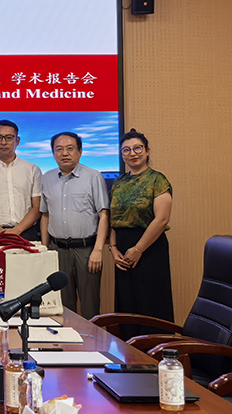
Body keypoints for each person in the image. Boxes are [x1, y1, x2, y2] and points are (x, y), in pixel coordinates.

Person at [108, 128, 174, 336]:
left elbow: (161, 219)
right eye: (126, 150)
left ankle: (155, 350)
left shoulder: (157, 180)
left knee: (151, 301)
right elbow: (113, 219)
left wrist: (138, 249)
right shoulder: (119, 182)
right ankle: (129, 350)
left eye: (137, 148)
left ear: (147, 151)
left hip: (149, 247)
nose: (132, 153)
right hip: (122, 247)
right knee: (127, 303)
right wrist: (113, 249)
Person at [40, 131, 109, 320]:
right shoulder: (46, 178)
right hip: (58, 249)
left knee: (89, 305)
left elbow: (104, 215)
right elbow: (45, 214)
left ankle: (91, 339)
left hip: (87, 250)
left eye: (70, 148)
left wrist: (98, 250)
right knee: (62, 305)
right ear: (53, 153)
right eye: (59, 149)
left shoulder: (93, 176)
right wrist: (45, 248)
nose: (64, 153)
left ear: (80, 151)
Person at [0, 119, 42, 241]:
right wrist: (0, 232)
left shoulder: (32, 169)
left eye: (9, 138)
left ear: (17, 141)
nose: (3, 142)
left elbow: (37, 207)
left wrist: (17, 230)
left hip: (27, 232)